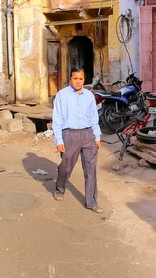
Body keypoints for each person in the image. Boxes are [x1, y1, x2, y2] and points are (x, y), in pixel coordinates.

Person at [52, 67, 103, 213]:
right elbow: (57, 118)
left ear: (84, 79)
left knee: (91, 169)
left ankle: (91, 202)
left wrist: (97, 136)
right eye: (75, 78)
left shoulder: (89, 96)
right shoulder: (62, 95)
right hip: (70, 134)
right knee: (66, 166)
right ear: (70, 79)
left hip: (88, 135)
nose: (78, 82)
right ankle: (60, 188)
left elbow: (94, 117)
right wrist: (59, 140)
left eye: (81, 79)